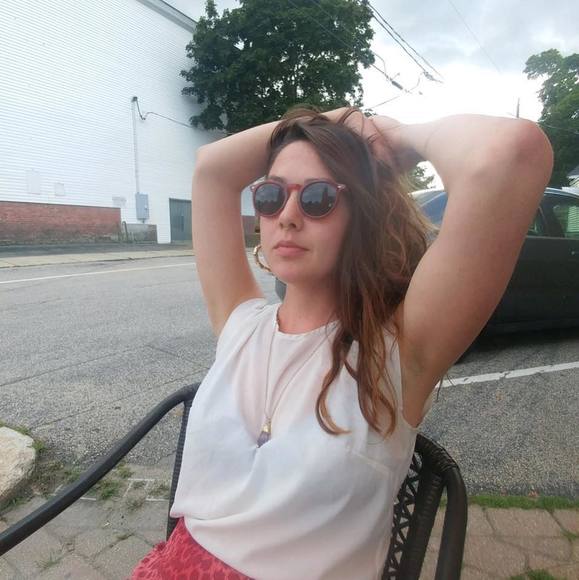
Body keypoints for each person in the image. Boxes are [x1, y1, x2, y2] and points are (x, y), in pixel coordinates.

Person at [131, 107, 553, 579]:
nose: (287, 216)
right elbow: (212, 167)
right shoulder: (240, 322)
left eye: (318, 197)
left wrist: (395, 137)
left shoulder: (398, 353)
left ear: (361, 216)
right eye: (271, 195)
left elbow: (513, 154)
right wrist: (337, 121)